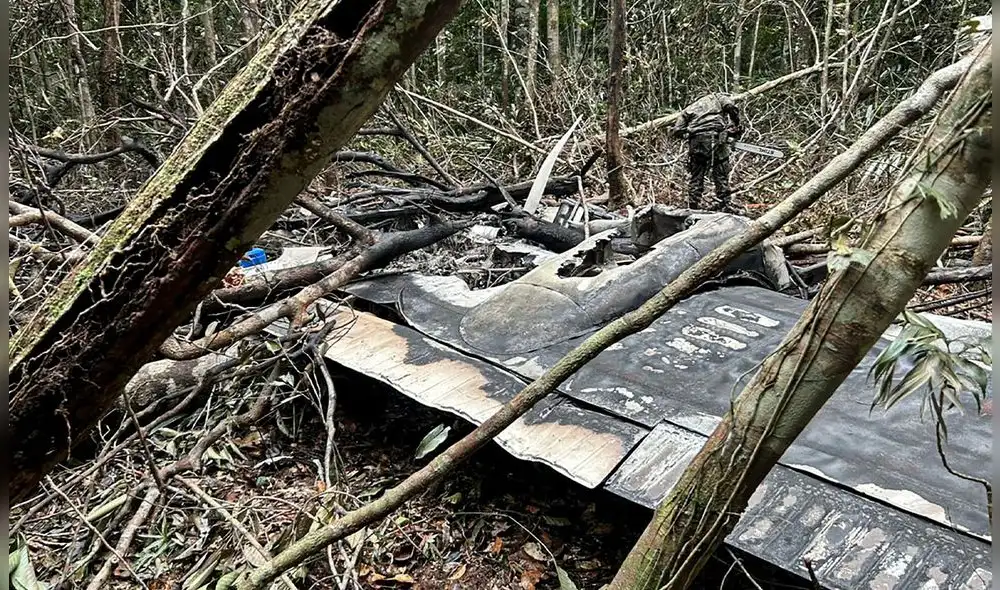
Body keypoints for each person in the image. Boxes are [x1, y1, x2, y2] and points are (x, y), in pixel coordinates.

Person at [672, 93, 743, 212]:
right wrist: (736, 123)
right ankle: (725, 203)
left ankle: (693, 205)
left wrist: (690, 133)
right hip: (717, 138)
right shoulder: (718, 97)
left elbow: (677, 130)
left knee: (697, 175)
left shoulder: (690, 108)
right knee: (720, 173)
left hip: (697, 142)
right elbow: (730, 107)